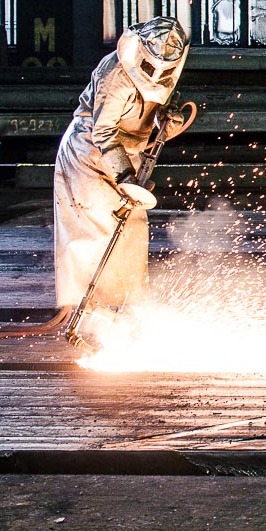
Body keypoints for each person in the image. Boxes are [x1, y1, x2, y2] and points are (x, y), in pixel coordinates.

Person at [54, 16, 191, 314]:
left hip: (128, 152)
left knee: (132, 232)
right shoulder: (115, 73)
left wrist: (169, 119)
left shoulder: (167, 63)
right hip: (89, 154)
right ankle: (84, 313)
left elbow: (159, 104)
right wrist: (125, 176)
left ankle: (122, 310)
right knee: (94, 231)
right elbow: (103, 133)